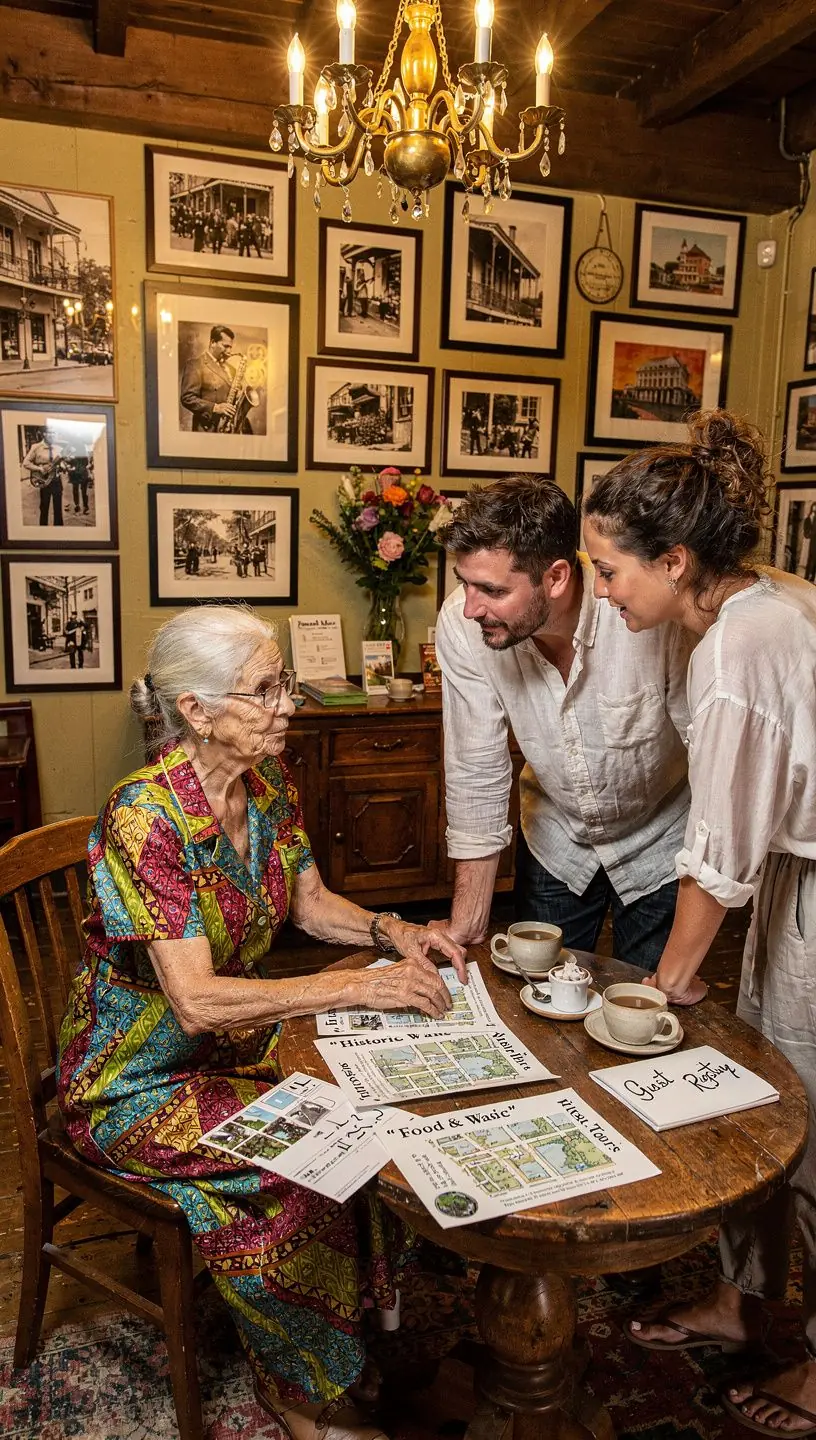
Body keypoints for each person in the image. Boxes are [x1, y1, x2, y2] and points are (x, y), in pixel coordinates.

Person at [57, 606, 468, 1440]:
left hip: (225, 1049)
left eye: (285, 683)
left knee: (376, 1116)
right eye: (266, 689)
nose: (290, 704)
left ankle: (357, 1345)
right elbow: (196, 999)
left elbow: (310, 903)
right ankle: (297, 1388)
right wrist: (351, 991)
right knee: (301, 1167)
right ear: (196, 711)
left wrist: (394, 932)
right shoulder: (145, 819)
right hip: (131, 1082)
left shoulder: (267, 785)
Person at [582, 410, 816, 1437]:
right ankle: (741, 1300)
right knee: (780, 1100)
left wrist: (665, 986)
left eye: (608, 570)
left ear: (675, 560)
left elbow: (717, 862)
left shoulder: (737, 648)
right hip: (790, 888)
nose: (599, 590)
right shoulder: (746, 603)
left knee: (809, 1122)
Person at [435, 475, 694, 971]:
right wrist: (467, 921)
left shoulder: (646, 614)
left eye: (491, 589)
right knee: (539, 995)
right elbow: (476, 768)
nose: (470, 607)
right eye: (464, 583)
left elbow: (710, 759)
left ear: (555, 578)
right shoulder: (462, 623)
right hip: (557, 842)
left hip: (661, 844)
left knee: (647, 1005)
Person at [180, 325, 247, 434]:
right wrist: (215, 407)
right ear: (212, 343)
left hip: (229, 429)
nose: (229, 351)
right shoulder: (195, 365)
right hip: (207, 430)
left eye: (230, 347)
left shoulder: (231, 369)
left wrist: (239, 396)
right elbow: (187, 398)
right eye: (225, 346)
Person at [21, 431, 65, 526]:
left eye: (54, 433)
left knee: (58, 509)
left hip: (56, 480)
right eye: (49, 432)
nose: (52, 435)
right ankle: (43, 531)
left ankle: (59, 533)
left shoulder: (58, 448)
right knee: (44, 508)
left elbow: (61, 462)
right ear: (44, 434)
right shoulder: (36, 447)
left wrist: (63, 465)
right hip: (43, 481)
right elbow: (26, 463)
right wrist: (39, 469)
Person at [803, 501, 816, 584]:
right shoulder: (808, 518)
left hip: (815, 540)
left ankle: (811, 577)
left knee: (814, 559)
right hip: (812, 540)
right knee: (810, 558)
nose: (814, 509)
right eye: (814, 507)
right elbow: (806, 530)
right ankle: (807, 577)